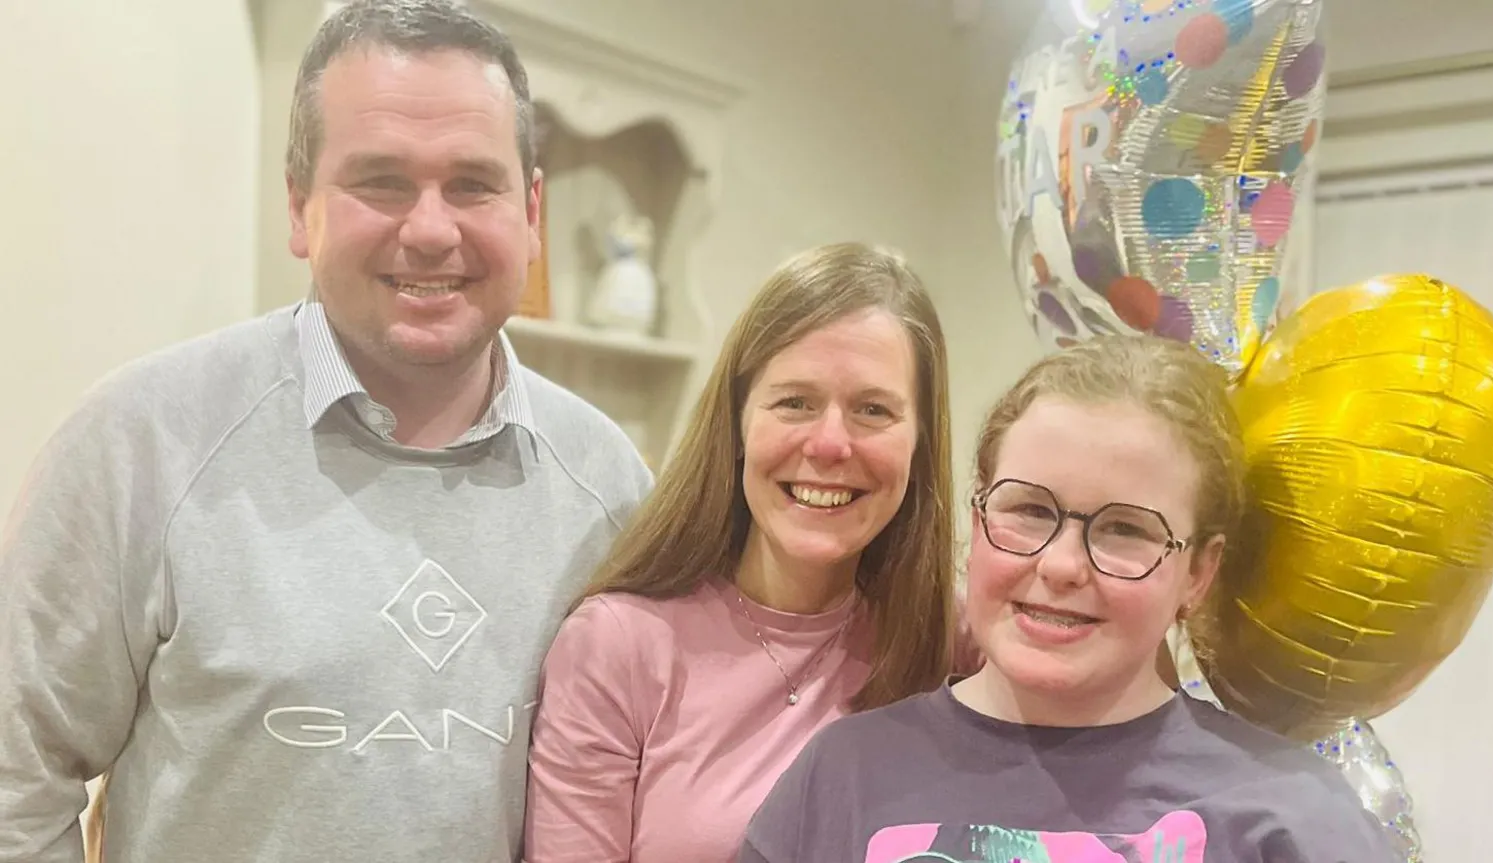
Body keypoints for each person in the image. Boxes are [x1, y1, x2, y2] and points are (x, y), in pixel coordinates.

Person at [0, 1, 651, 861]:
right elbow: (18, 776)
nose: (429, 228)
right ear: (300, 203)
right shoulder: (141, 442)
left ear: (530, 209)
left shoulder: (611, 486)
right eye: (380, 181)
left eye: (472, 183)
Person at [738, 335, 1400, 862]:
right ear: (978, 516)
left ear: (1198, 571)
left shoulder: (1297, 817)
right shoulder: (845, 775)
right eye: (1028, 509)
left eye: (1124, 530)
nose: (1059, 564)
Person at [522, 242, 957, 862]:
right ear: (737, 423)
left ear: (919, 445)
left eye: (873, 410)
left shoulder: (947, 638)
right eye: (795, 402)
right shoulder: (617, 647)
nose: (830, 443)